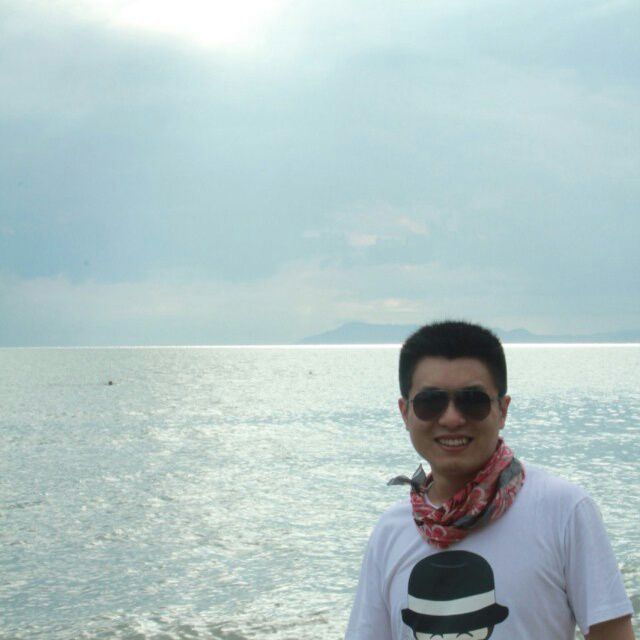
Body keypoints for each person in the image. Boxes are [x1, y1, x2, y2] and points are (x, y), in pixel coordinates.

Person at [345, 320, 635, 640]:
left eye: (473, 401)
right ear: (405, 412)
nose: (452, 418)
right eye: (431, 402)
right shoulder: (390, 532)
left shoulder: (564, 511)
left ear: (503, 410)